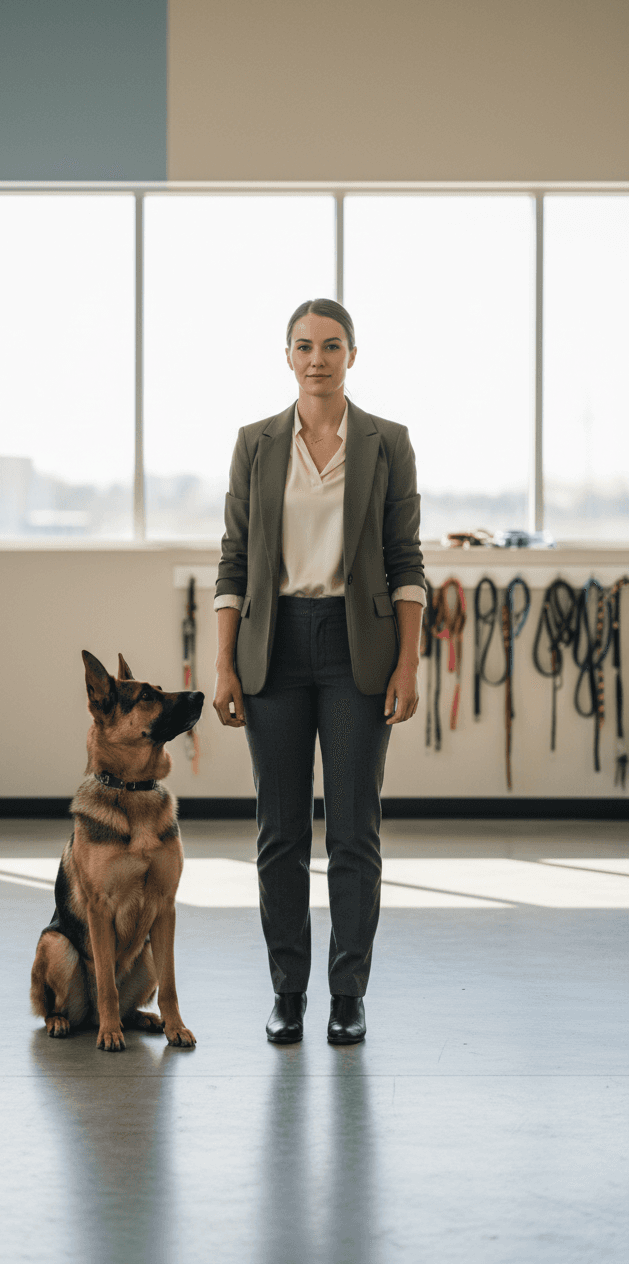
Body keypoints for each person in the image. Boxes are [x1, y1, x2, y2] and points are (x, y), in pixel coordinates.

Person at [213, 297, 426, 1045]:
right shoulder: (256, 444)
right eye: (304, 345)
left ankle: (348, 995)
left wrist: (408, 662)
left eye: (332, 346)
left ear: (352, 356)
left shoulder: (387, 442)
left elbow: (406, 563)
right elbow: (234, 561)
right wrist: (224, 665)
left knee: (353, 834)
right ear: (287, 356)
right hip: (271, 650)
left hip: (354, 650)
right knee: (278, 833)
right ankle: (288, 992)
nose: (317, 358)